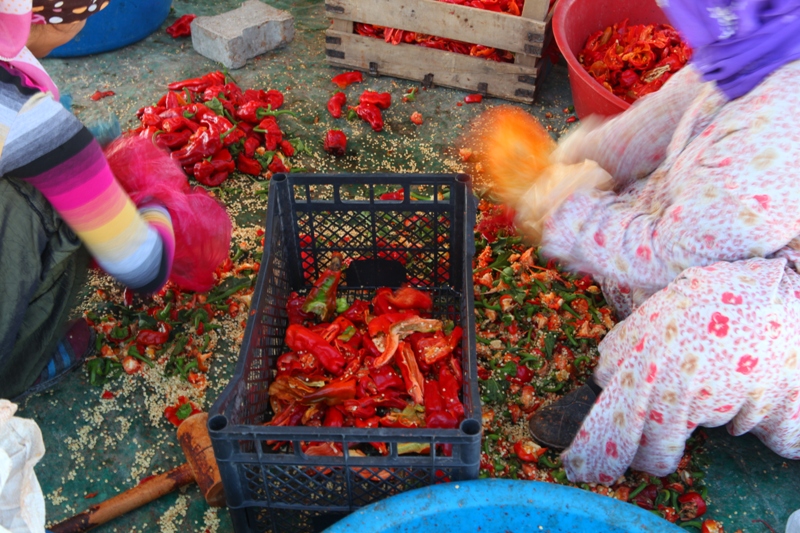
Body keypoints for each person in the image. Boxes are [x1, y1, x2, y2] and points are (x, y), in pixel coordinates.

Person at [497, 0, 800, 484]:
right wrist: (565, 161)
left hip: (779, 323)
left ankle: (619, 394)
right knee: (636, 193)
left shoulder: (790, 117)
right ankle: (643, 326)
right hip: (733, 231)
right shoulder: (762, 43)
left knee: (715, 318)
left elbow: (676, 256)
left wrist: (565, 211)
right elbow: (666, 115)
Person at [0, 0, 176, 401]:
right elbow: (146, 267)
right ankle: (18, 365)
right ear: (59, 19)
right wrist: (154, 204)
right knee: (59, 205)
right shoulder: (30, 118)